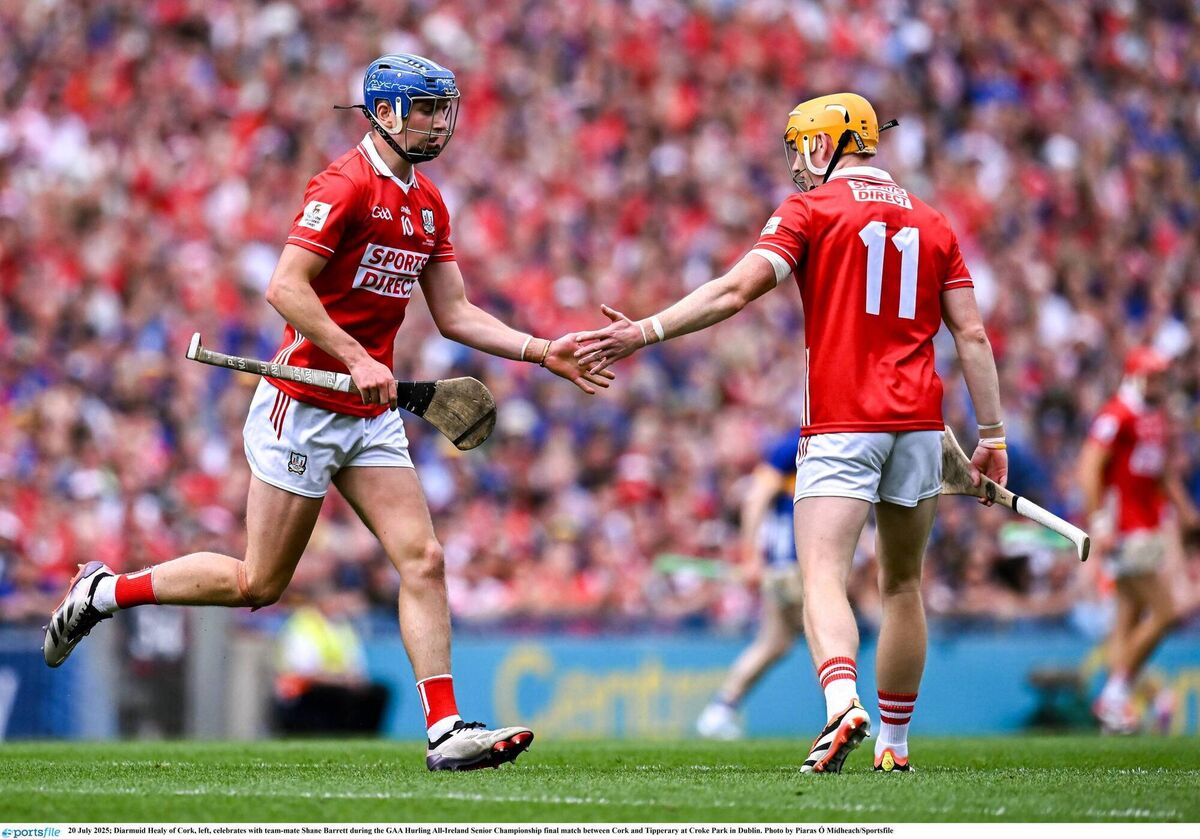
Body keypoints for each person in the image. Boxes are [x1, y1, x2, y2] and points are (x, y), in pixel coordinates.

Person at [43, 54, 612, 771]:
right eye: (426, 108)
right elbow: (285, 286)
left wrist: (542, 348)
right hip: (305, 405)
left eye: (443, 108)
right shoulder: (343, 185)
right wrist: (354, 354)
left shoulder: (429, 203)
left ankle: (444, 729)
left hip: (368, 413)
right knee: (260, 583)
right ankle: (105, 591)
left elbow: (457, 312)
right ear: (384, 112)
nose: (440, 122)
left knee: (424, 558)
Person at [575, 93, 1006, 773]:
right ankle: (894, 749)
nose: (796, 164)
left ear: (822, 143)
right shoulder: (934, 220)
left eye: (798, 147)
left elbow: (734, 291)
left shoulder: (810, 211)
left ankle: (842, 703)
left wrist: (645, 330)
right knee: (902, 585)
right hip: (921, 425)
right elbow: (973, 334)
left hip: (841, 424)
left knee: (823, 576)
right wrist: (994, 435)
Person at [1078, 347, 1198, 734]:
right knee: (1166, 611)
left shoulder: (1152, 417)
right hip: (1125, 530)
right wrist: (1099, 522)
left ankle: (1116, 705)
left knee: (1127, 621)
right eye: (1154, 376)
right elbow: (1089, 466)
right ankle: (1114, 695)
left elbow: (1159, 472)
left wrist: (1184, 510)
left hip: (1147, 526)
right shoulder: (1117, 415)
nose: (1160, 383)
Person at [696, 427, 804, 740]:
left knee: (775, 643)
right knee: (822, 632)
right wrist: (751, 555)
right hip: (792, 563)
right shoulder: (794, 444)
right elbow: (756, 499)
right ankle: (844, 712)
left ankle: (721, 709)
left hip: (790, 562)